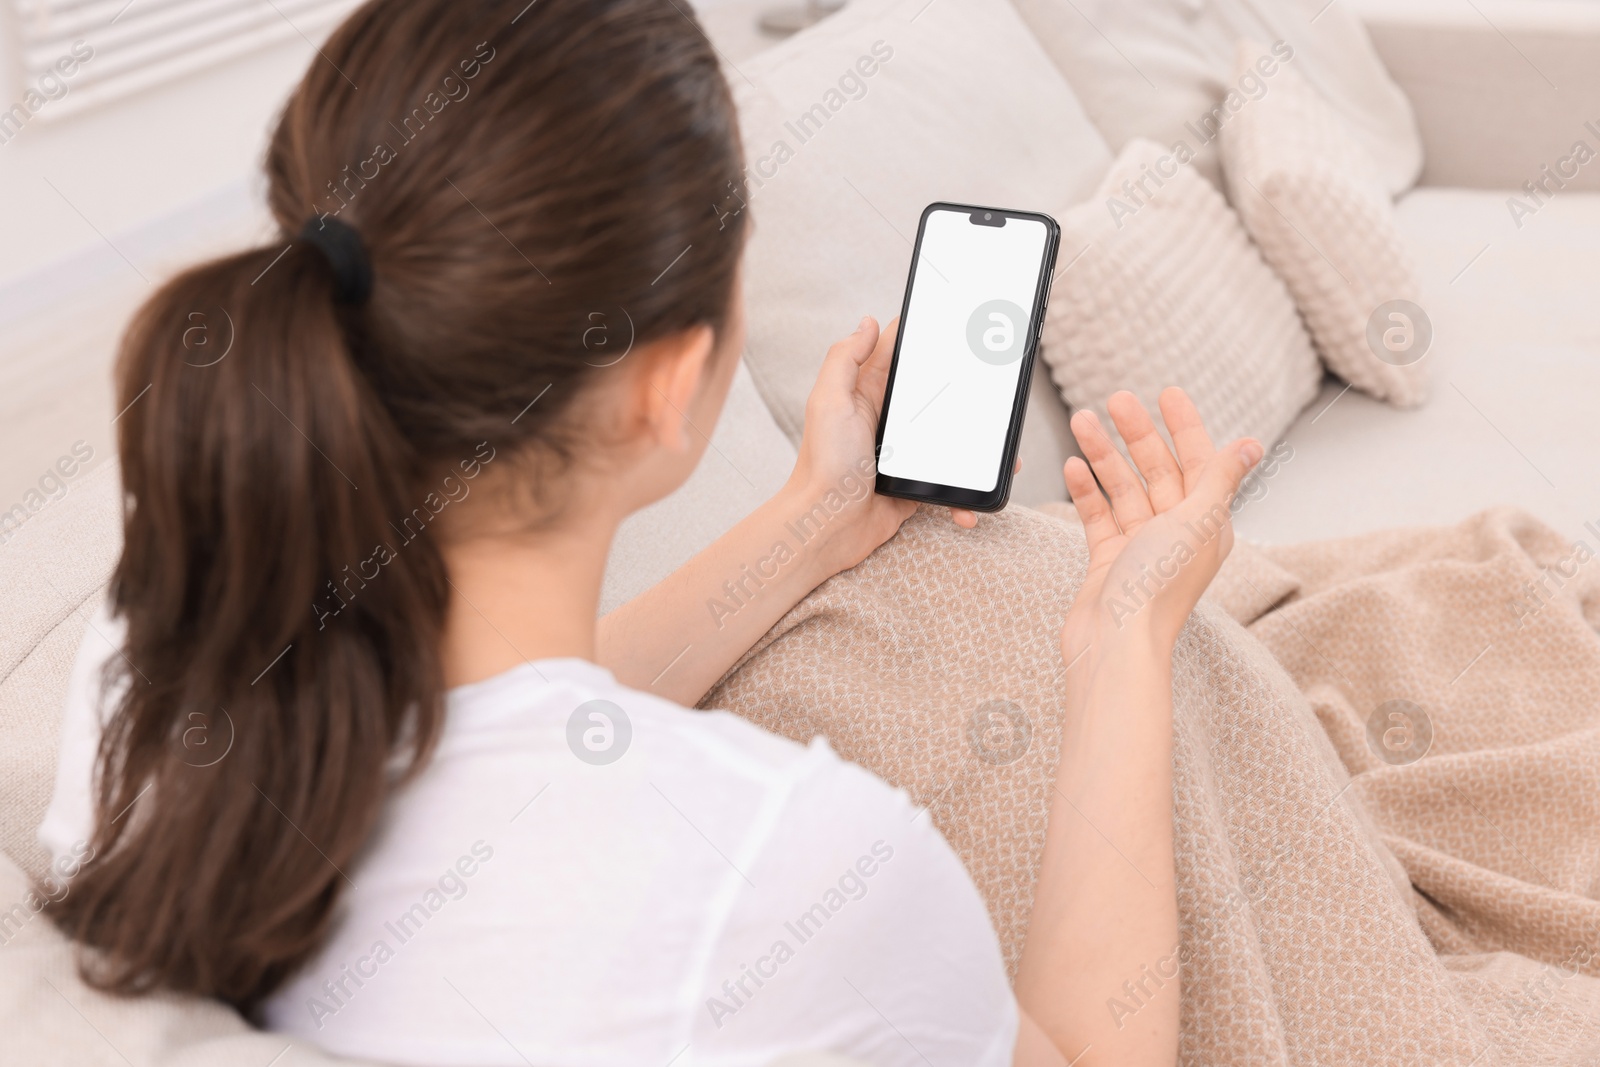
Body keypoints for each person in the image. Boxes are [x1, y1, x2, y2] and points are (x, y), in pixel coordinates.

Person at [37, 1, 1263, 1064]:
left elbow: (501, 726)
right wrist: (1125, 634)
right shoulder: (793, 869)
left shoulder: (149, 661)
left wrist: (816, 518)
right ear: (667, 387)